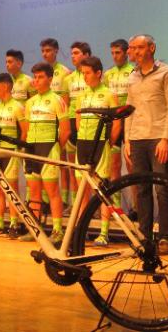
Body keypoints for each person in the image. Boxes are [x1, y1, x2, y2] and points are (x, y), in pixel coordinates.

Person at [124, 34, 168, 255]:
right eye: (132, 48)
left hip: (158, 137)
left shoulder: (167, 72)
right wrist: (127, 139)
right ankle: (144, 237)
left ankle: (166, 237)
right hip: (137, 138)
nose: (134, 52)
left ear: (152, 48)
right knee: (142, 189)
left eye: (139, 47)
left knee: (161, 188)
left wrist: (166, 138)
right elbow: (129, 108)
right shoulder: (132, 76)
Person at [22, 63, 70, 246]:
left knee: (52, 192)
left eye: (40, 77)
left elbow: (65, 131)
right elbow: (26, 131)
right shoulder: (30, 102)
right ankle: (35, 230)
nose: (36, 80)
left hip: (49, 149)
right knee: (34, 192)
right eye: (35, 77)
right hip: (31, 149)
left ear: (50, 79)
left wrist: (55, 149)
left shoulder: (57, 100)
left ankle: (57, 231)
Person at [75, 57, 120, 246]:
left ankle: (103, 233)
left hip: (101, 144)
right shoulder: (81, 96)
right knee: (82, 190)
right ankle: (81, 232)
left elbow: (117, 123)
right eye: (82, 73)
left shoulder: (110, 95)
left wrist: (109, 142)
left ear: (98, 73)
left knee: (102, 191)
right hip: (82, 144)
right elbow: (78, 120)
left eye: (87, 73)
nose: (84, 77)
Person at [0, 73, 28, 238]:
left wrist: (16, 150)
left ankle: (14, 225)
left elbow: (25, 131)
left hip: (10, 153)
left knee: (11, 190)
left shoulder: (18, 107)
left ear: (6, 86)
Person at [40, 38, 71, 209]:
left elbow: (65, 101)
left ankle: (64, 199)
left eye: (48, 50)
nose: (45, 54)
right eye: (43, 51)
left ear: (56, 51)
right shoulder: (40, 72)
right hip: (45, 124)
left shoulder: (64, 72)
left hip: (59, 121)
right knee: (44, 162)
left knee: (62, 162)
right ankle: (45, 200)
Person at [61, 41, 91, 209]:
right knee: (73, 168)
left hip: (89, 122)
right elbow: (65, 106)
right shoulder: (68, 79)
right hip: (73, 122)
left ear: (86, 55)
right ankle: (75, 205)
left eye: (76, 53)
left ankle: (91, 206)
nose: (73, 56)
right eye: (72, 53)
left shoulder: (93, 76)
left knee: (89, 169)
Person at [103, 39, 134, 181]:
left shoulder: (134, 71)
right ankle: (116, 196)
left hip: (130, 121)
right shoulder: (108, 74)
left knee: (131, 164)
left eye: (118, 52)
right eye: (112, 53)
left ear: (126, 52)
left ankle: (136, 196)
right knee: (114, 164)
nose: (114, 56)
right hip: (114, 122)